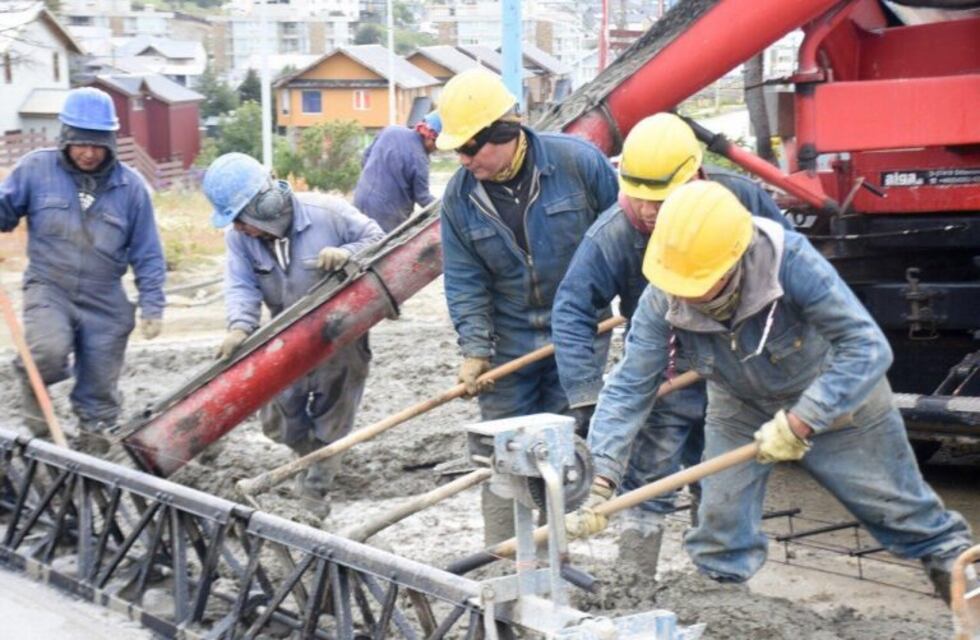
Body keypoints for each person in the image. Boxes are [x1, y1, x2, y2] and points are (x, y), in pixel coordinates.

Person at [567, 180, 972, 600]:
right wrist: (601, 474)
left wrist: (803, 419)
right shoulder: (664, 295)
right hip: (739, 405)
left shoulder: (791, 262)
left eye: (696, 283)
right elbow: (630, 386)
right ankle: (723, 606)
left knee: (898, 511)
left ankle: (958, 574)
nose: (683, 294)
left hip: (836, 396)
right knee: (721, 519)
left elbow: (867, 348)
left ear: (733, 261)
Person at [552, 113, 792, 572]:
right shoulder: (614, 234)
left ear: (696, 177)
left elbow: (793, 275)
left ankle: (721, 590)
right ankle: (634, 578)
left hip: (739, 368)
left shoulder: (741, 201)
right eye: (638, 197)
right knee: (648, 481)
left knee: (726, 481)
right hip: (666, 366)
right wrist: (586, 397)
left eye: (660, 199)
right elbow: (573, 309)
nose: (648, 211)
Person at [437, 68, 619, 544]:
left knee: (565, 445)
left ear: (504, 132)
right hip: (509, 343)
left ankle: (559, 551)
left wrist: (641, 316)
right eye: (457, 150)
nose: (462, 159)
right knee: (502, 450)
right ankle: (503, 557)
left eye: (469, 148)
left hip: (579, 334)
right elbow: (464, 279)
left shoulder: (579, 165)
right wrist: (476, 349)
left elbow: (626, 241)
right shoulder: (459, 200)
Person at [203, 153, 384, 514]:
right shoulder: (241, 241)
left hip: (340, 333)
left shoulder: (328, 213)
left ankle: (315, 491)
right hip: (284, 337)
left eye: (240, 218)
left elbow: (379, 240)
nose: (238, 227)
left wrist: (348, 254)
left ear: (264, 204)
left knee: (333, 417)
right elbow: (241, 286)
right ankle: (313, 458)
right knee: (278, 420)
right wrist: (240, 327)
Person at [0, 87, 165, 450]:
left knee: (100, 391)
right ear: (66, 138)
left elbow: (148, 252)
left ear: (110, 141)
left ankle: (94, 449)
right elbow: (4, 210)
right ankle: (33, 390)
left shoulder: (131, 188)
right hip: (49, 286)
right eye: (80, 144)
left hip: (105, 296)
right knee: (47, 353)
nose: (88, 153)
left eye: (97, 144)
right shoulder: (35, 169)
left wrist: (153, 304)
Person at [352, 112, 441, 233]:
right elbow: (423, 198)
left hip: (360, 199)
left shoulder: (391, 130)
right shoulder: (420, 160)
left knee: (359, 240)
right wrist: (444, 210)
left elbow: (366, 157)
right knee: (381, 247)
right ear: (431, 138)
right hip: (386, 217)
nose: (436, 149)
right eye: (437, 145)